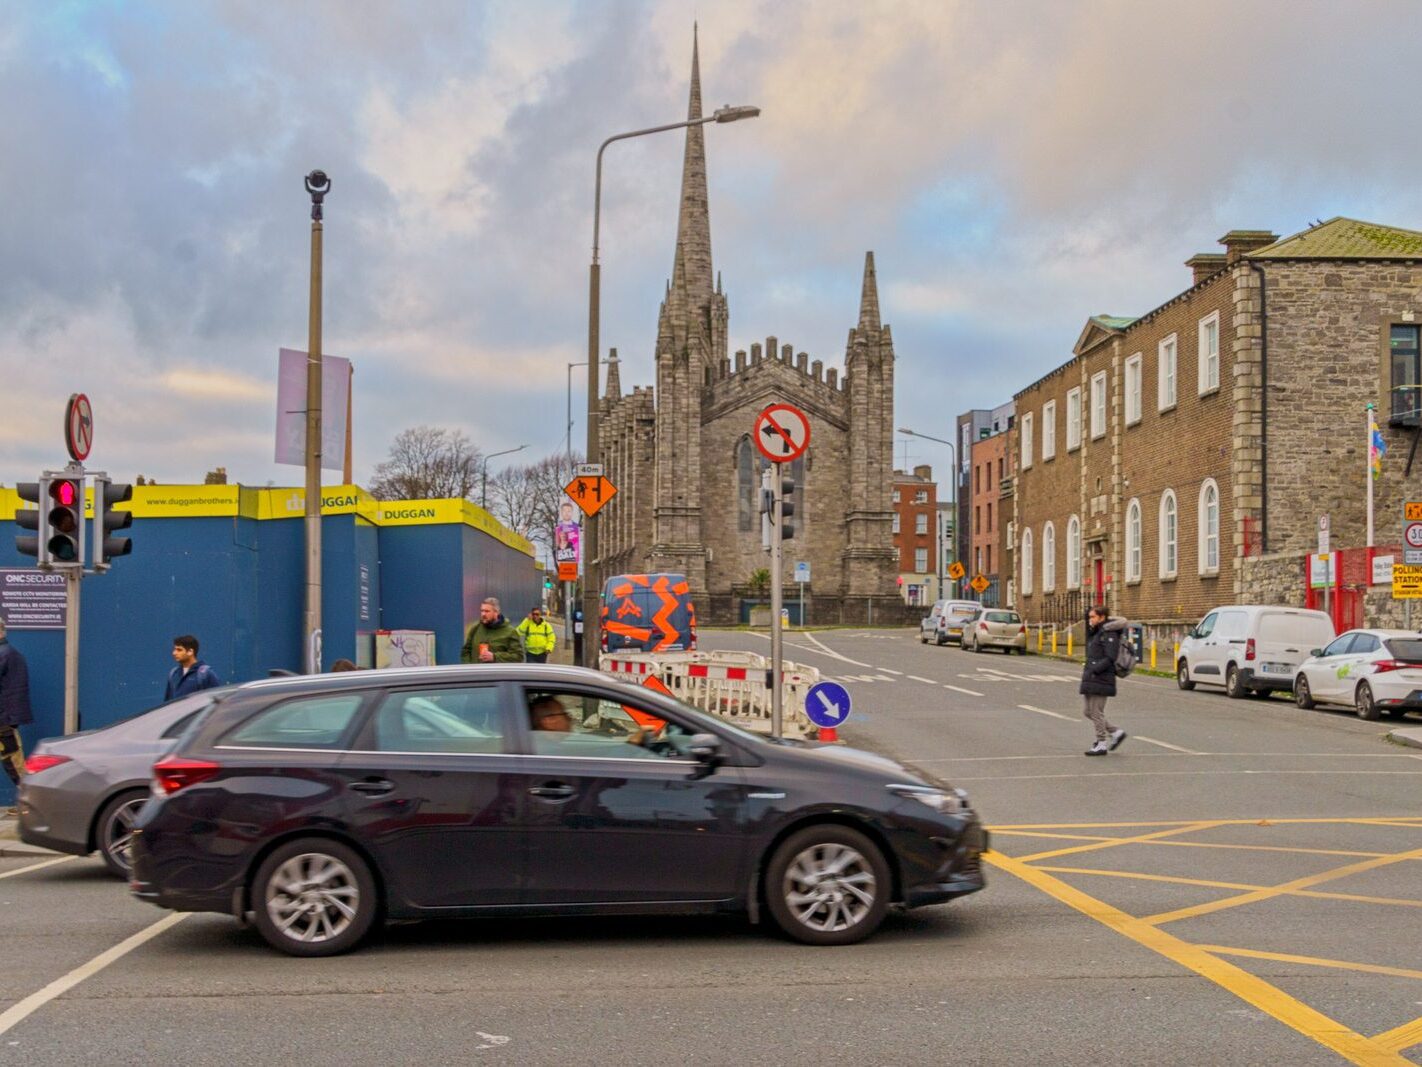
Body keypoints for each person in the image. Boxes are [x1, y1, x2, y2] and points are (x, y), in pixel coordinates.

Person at [1079, 605, 1129, 756]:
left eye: (1093, 617)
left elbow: (1110, 657)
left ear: (1102, 617)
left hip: (1101, 677)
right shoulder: (1098, 632)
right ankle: (1116, 732)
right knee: (1088, 711)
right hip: (1092, 676)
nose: (1090, 620)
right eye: (1089, 617)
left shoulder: (1109, 634)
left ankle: (1101, 743)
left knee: (1096, 711)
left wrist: (1095, 669)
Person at [0, 619, 34, 795]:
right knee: (12, 759)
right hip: (7, 717)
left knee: (12, 760)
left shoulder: (4, 654)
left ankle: (30, 800)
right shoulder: (9, 653)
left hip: (4, 719)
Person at [460, 598, 524, 663]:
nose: (483, 614)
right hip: (477, 672)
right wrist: (470, 667)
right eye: (482, 611)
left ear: (496, 612)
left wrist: (495, 657)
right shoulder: (475, 628)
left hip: (497, 672)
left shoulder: (510, 632)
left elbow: (518, 657)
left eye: (487, 611)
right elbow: (466, 651)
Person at [164, 635, 221, 702]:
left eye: (179, 650)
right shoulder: (173, 674)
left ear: (190, 652)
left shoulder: (206, 674)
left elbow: (217, 702)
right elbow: (168, 703)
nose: (174, 653)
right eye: (174, 649)